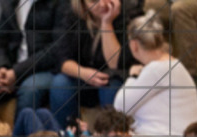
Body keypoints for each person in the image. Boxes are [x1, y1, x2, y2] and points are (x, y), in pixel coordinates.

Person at [113, 12, 197, 137]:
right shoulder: (169, 65)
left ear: (134, 45)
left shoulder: (157, 70)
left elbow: (120, 106)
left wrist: (132, 77)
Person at [50, 0, 142, 129]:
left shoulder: (129, 14)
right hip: (84, 77)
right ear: (82, 3)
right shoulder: (71, 14)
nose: (102, 4)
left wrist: (107, 22)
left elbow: (115, 63)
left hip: (115, 78)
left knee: (110, 87)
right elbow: (62, 59)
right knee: (60, 83)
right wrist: (83, 73)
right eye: (94, 1)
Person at [0, 0, 71, 111]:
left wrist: (16, 73)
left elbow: (56, 49)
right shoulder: (11, 4)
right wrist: (1, 68)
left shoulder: (61, 4)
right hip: (12, 67)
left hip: (46, 69)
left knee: (29, 90)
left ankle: (23, 127)